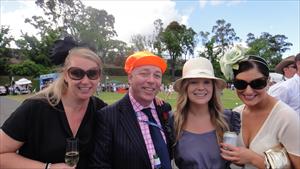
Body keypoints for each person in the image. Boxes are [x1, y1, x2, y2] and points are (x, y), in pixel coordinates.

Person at [0, 46, 107, 169]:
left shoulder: (100, 110)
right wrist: (47, 167)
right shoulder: (35, 108)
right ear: (65, 75)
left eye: (92, 73)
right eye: (76, 73)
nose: (85, 81)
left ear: (99, 76)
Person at [90, 51, 173, 169]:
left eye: (157, 75)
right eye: (144, 74)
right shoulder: (108, 117)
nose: (151, 80)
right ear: (130, 78)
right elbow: (100, 165)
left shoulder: (164, 109)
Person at [219, 55, 300, 169]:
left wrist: (253, 158)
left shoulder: (287, 118)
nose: (248, 91)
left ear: (268, 82)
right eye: (240, 84)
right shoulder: (236, 114)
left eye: (257, 83)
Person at [173, 57, 240, 169]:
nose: (201, 88)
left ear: (213, 87)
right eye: (194, 82)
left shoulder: (228, 118)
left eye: (206, 82)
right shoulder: (173, 120)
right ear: (185, 87)